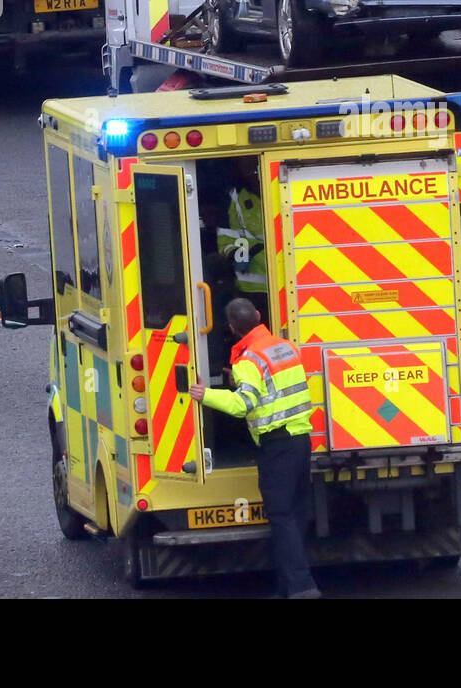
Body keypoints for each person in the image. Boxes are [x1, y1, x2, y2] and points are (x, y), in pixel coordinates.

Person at [190, 298, 319, 599]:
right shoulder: (284, 346)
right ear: (260, 316)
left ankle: (302, 587)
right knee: (296, 514)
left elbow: (243, 405)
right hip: (300, 440)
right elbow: (274, 386)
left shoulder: (249, 361)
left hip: (276, 445)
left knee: (281, 515)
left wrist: (204, 394)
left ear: (232, 328)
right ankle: (287, 586)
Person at [216, 165, 270, 324]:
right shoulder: (234, 197)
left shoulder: (279, 189)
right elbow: (225, 239)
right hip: (252, 291)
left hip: (291, 286)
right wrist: (237, 254)